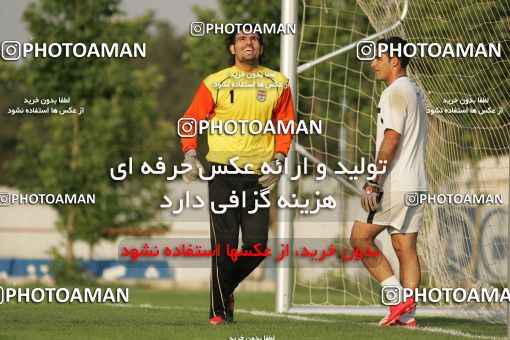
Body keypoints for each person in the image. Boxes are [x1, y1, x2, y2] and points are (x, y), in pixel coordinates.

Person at [179, 26, 295, 324]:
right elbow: (191, 120)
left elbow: (285, 123)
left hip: (258, 177)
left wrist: (280, 157)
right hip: (222, 174)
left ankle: (224, 291)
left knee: (256, 248)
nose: (248, 42)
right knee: (225, 246)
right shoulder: (215, 82)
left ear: (260, 47)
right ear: (232, 48)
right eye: (241, 39)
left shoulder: (278, 82)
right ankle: (218, 313)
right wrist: (190, 153)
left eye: (254, 39)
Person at [350, 36, 428, 327]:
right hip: (418, 183)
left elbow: (391, 138)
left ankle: (397, 299)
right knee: (404, 247)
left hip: (396, 184)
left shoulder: (394, 92)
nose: (373, 64)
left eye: (377, 58)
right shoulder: (416, 91)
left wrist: (374, 179)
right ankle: (407, 315)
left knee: (359, 239)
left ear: (394, 60)